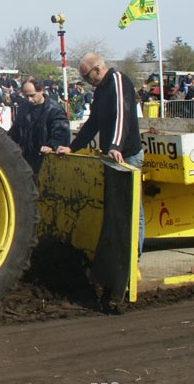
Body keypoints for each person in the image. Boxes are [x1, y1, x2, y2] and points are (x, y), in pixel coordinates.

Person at [56, 53, 145, 254]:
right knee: (113, 209)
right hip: (111, 157)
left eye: (87, 76)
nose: (87, 81)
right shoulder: (100, 91)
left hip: (127, 156)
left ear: (97, 69)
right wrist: (72, 147)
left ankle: (134, 256)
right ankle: (117, 253)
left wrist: (116, 146)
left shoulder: (118, 81)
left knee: (131, 209)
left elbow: (122, 116)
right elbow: (93, 123)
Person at [8, 78, 70, 175]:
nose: (29, 99)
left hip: (46, 160)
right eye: (26, 96)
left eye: (32, 95)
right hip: (26, 159)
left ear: (41, 91)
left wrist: (52, 146)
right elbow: (15, 130)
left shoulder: (54, 109)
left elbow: (61, 133)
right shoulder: (23, 108)